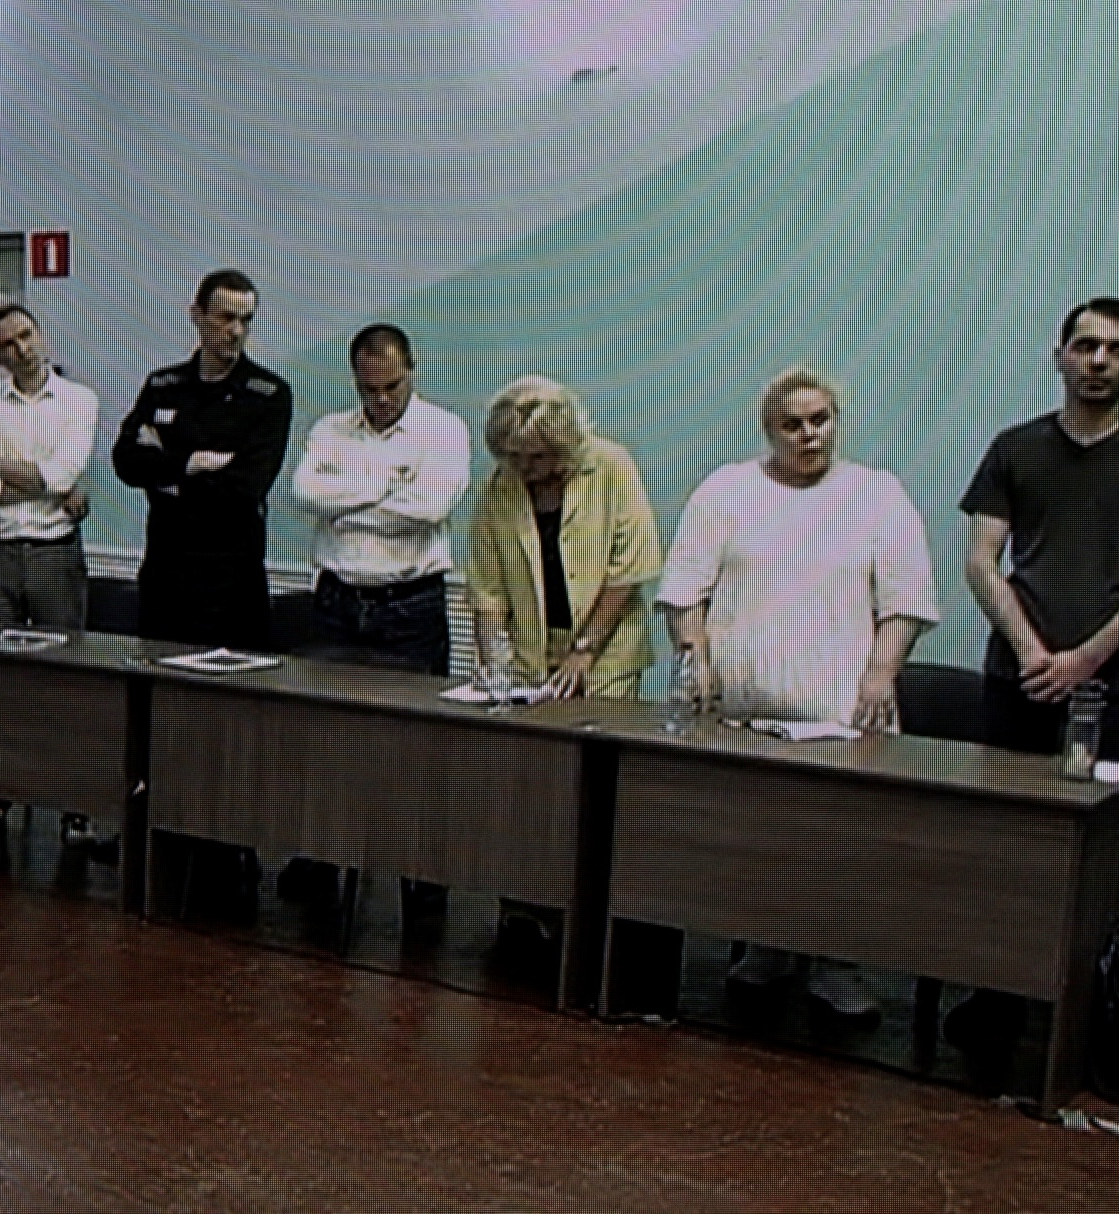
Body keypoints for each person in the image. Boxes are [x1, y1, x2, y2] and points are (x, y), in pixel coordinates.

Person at [954, 296, 1119, 1053]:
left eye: (1118, 349)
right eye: (1087, 345)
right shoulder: (1015, 448)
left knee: (1105, 859)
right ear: (1060, 353)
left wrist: (1087, 657)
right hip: (1017, 680)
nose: (1100, 361)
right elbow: (982, 561)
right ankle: (997, 996)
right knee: (1006, 841)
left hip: (1114, 691)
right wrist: (1030, 651)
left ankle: (1105, 1018)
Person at [655, 365, 939, 1018]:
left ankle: (838, 963)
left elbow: (904, 599)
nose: (809, 434)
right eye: (792, 424)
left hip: (843, 707)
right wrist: (695, 660)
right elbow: (684, 590)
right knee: (757, 834)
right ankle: (766, 945)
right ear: (769, 430)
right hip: (745, 709)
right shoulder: (726, 490)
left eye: (820, 420)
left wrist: (882, 672)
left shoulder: (876, 493)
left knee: (842, 842)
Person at [284, 324, 471, 920]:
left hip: (410, 604)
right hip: (339, 600)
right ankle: (323, 857)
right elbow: (307, 495)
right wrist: (387, 485)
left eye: (391, 388)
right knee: (328, 739)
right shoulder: (329, 429)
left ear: (411, 373)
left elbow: (430, 508)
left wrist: (348, 498)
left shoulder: (444, 430)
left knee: (416, 747)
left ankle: (421, 878)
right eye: (370, 390)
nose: (381, 400)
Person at [0, 304, 99, 849]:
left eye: (27, 335)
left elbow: (61, 473)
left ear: (40, 335)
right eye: (8, 344)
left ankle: (75, 806)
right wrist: (41, 484)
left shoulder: (79, 401)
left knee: (67, 680)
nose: (22, 349)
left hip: (54, 553)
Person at [112, 268, 294, 650]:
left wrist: (164, 473)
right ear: (197, 315)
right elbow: (126, 461)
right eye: (225, 318)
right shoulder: (164, 386)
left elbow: (244, 489)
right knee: (159, 678)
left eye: (245, 320)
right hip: (165, 573)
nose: (236, 331)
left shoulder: (266, 395)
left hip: (230, 580)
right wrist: (190, 465)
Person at [466, 374, 663, 701]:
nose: (524, 466)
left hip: (606, 650)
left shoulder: (610, 466)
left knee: (594, 730)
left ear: (562, 447)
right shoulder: (498, 487)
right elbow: (488, 589)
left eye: (537, 456)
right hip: (529, 653)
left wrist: (585, 650)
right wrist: (494, 663)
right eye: (514, 455)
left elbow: (629, 569)